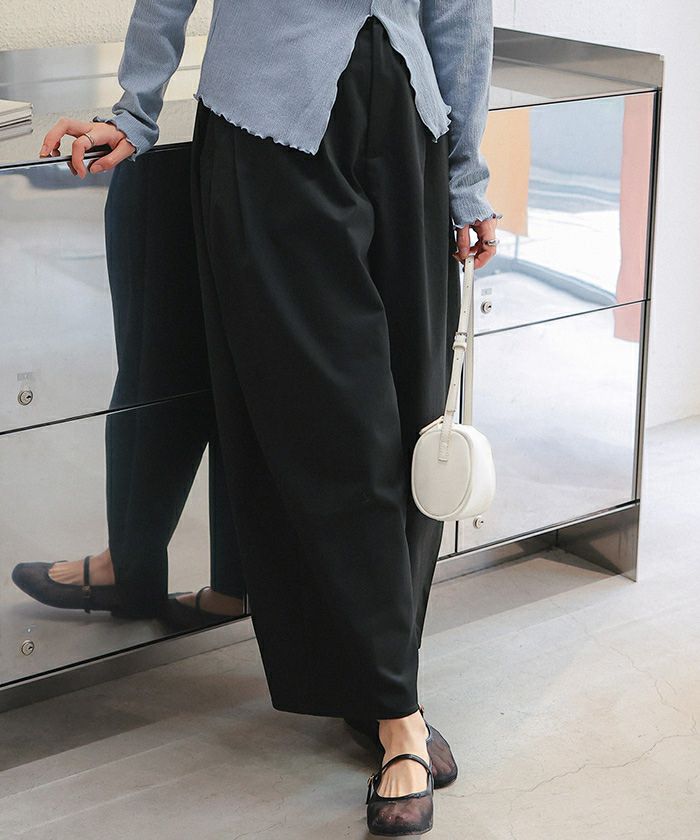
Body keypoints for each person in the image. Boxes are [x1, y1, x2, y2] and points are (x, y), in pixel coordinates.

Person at [37, 3, 499, 835]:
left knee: (409, 424)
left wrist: (465, 176)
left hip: (410, 131)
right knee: (335, 426)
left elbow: (460, 11)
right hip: (269, 131)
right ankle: (398, 715)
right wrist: (136, 108)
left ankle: (372, 679)